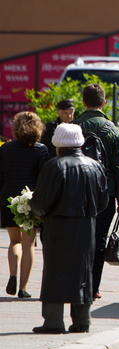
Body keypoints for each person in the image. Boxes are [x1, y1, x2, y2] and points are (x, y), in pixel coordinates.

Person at [30, 123, 109, 334]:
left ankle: (54, 321)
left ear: (59, 146)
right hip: (87, 227)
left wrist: (33, 208)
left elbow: (40, 203)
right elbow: (103, 202)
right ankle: (83, 321)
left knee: (56, 271)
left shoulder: (54, 166)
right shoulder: (96, 166)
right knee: (83, 272)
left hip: (58, 227)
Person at [73, 83, 119, 301]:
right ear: (104, 103)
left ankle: (76, 284)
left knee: (77, 238)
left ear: (83, 103)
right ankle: (93, 288)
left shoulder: (73, 127)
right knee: (100, 239)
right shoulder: (112, 130)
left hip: (76, 190)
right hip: (105, 192)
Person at [1, 112, 49, 299]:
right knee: (28, 245)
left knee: (14, 241)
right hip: (31, 200)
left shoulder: (5, 149)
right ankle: (23, 288)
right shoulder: (41, 150)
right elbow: (43, 178)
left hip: (8, 199)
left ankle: (12, 275)